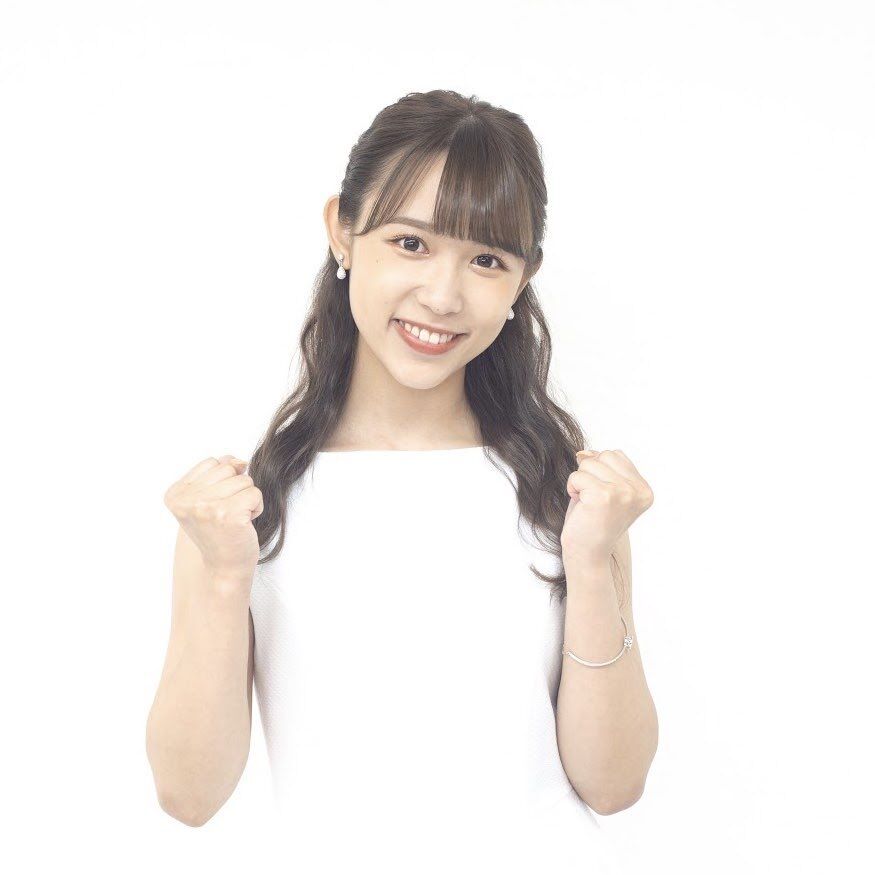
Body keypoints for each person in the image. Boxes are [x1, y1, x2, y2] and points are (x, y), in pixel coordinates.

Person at [146, 89, 658, 872]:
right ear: (342, 231)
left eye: (486, 259)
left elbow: (613, 783)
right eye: (410, 243)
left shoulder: (569, 498)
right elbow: (190, 794)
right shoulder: (246, 511)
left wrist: (591, 562)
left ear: (522, 278)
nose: (443, 295)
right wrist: (222, 576)